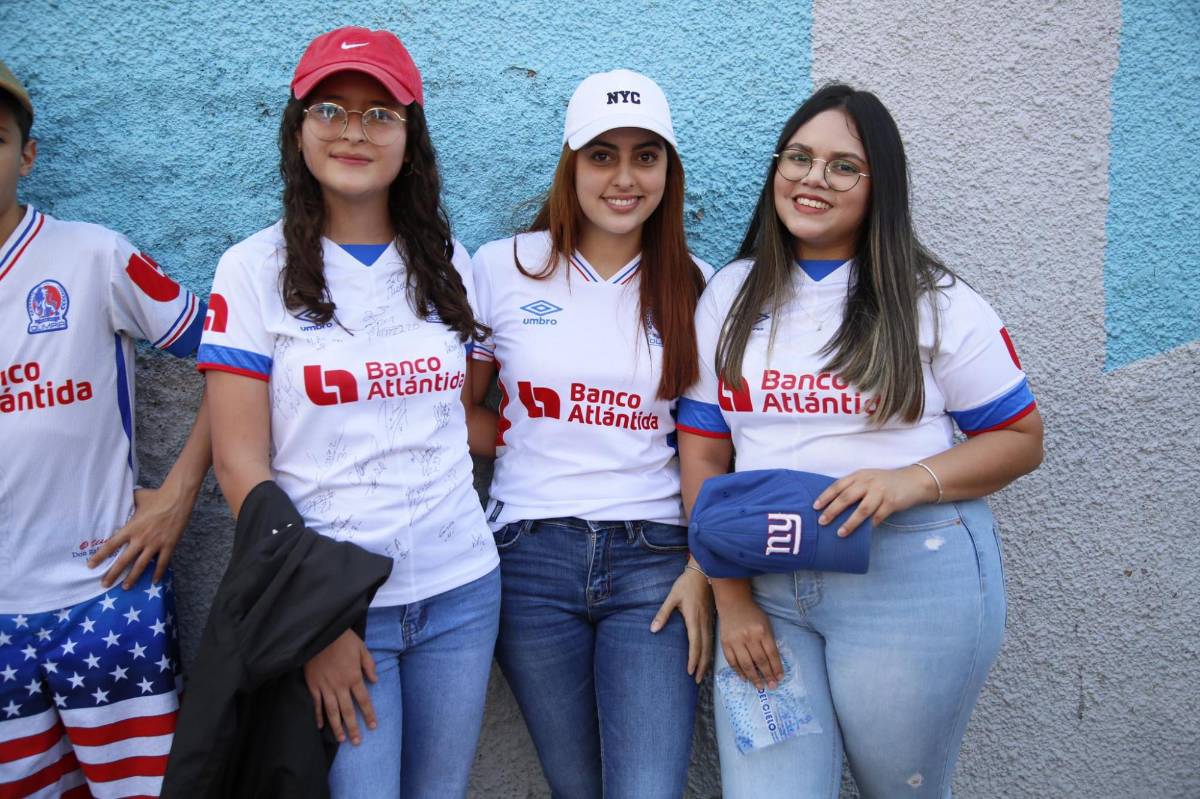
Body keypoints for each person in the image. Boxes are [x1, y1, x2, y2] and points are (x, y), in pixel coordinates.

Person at [676, 84, 1044, 798]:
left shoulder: (933, 298)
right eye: (799, 158)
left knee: (898, 789)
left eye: (844, 165)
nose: (814, 178)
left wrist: (907, 479)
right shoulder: (730, 293)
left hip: (908, 579)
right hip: (764, 581)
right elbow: (704, 453)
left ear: (881, 186)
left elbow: (1020, 438)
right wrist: (732, 598)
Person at [196, 27, 498, 798]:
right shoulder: (252, 268)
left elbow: (456, 412)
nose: (354, 130)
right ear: (297, 130)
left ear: (410, 135)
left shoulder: (448, 262)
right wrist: (315, 619)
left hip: (462, 587)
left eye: (380, 113)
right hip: (336, 609)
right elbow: (240, 463)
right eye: (330, 108)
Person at [468, 69, 713, 798]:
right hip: (529, 557)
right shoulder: (502, 268)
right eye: (602, 154)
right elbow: (455, 412)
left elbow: (709, 445)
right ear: (570, 164)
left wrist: (705, 564)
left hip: (656, 561)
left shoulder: (698, 285)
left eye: (646, 155)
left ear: (669, 170)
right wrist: (519, 432)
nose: (624, 177)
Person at [0, 58, 211, 797]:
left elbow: (233, 356)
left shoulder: (92, 255)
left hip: (104, 595)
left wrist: (179, 493)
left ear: (26, 155)